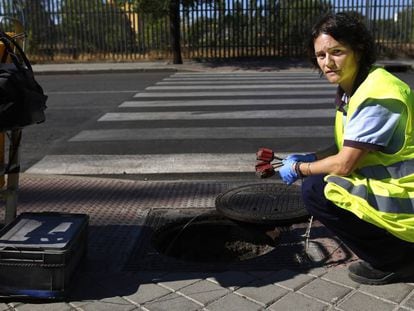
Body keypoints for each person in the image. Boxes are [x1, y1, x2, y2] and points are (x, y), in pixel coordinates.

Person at [278, 12, 414, 285]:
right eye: (320, 56)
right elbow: (347, 144)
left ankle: (396, 261)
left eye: (336, 52)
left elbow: (344, 164)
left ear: (358, 50)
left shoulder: (377, 95)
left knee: (316, 190)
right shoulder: (356, 87)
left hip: (405, 199)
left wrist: (300, 168)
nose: (327, 63)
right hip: (395, 189)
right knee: (320, 180)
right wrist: (314, 157)